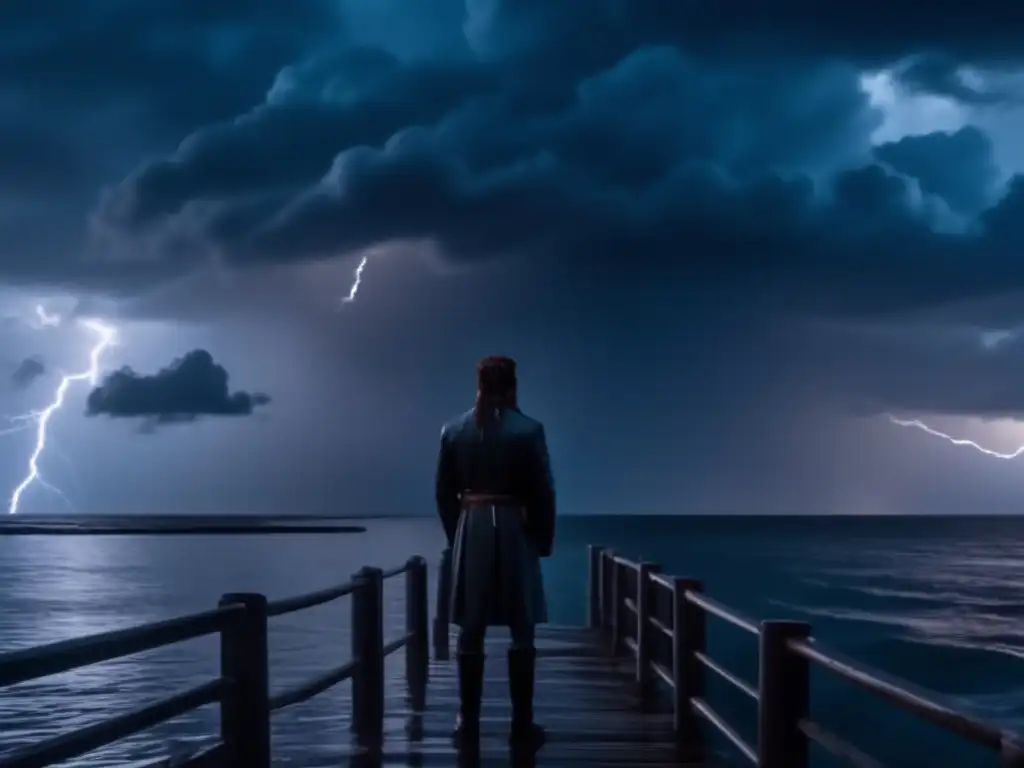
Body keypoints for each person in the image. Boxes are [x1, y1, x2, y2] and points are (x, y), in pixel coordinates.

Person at [435, 355, 556, 752]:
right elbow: (543, 492)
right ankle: (521, 724)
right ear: (512, 385)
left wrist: (460, 536)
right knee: (523, 627)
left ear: (479, 384)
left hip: (472, 526)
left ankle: (466, 722)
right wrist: (542, 540)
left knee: (471, 629)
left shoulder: (453, 430)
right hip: (515, 531)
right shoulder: (529, 430)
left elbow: (443, 493)